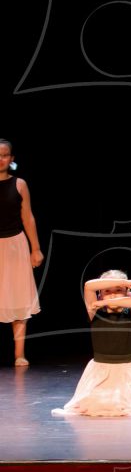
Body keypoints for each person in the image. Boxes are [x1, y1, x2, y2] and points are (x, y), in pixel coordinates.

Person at [53, 271, 131, 416]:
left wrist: (104, 302)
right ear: (100, 294)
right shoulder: (94, 312)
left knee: (124, 404)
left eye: (118, 290)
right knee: (95, 404)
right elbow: (88, 286)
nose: (113, 295)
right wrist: (124, 283)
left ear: (127, 293)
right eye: (107, 291)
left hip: (126, 371)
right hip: (100, 370)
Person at [0, 138, 43, 367]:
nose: (0, 159)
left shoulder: (19, 184)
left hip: (15, 245)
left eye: (4, 155)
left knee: (18, 299)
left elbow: (28, 217)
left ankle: (19, 354)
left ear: (11, 159)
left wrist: (35, 249)